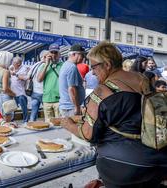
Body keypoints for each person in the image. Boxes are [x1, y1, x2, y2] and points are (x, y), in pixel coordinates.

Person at [61, 42, 167, 187]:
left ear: (108, 64)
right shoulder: (142, 79)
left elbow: (88, 134)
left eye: (94, 67)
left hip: (122, 166)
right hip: (159, 160)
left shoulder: (103, 91)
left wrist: (67, 124)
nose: (92, 72)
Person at [38, 43, 63, 122]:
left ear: (59, 54)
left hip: (59, 100)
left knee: (59, 125)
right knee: (48, 124)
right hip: (47, 99)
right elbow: (39, 79)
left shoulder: (63, 65)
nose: (53, 55)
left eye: (55, 52)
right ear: (48, 54)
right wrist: (46, 65)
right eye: (51, 52)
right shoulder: (44, 66)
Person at [59, 44, 85, 117]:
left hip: (66, 106)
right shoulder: (72, 67)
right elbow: (72, 89)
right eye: (81, 55)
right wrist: (77, 107)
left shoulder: (65, 65)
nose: (83, 58)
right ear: (73, 54)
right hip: (70, 108)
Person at [0, 51, 16, 122]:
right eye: (10, 60)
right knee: (7, 121)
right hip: (4, 98)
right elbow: (5, 89)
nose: (11, 62)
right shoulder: (5, 71)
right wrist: (14, 94)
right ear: (6, 60)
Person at [27, 50, 48, 121]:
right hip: (43, 92)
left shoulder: (35, 65)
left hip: (34, 92)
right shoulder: (45, 65)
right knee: (47, 112)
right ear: (45, 57)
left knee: (34, 111)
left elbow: (28, 76)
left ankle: (31, 123)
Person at [9, 57, 29, 123]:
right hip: (13, 93)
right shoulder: (11, 67)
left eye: (14, 63)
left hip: (21, 93)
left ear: (19, 63)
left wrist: (15, 74)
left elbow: (25, 78)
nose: (12, 64)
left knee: (24, 109)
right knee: (12, 108)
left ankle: (25, 121)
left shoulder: (24, 68)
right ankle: (11, 121)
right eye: (12, 62)